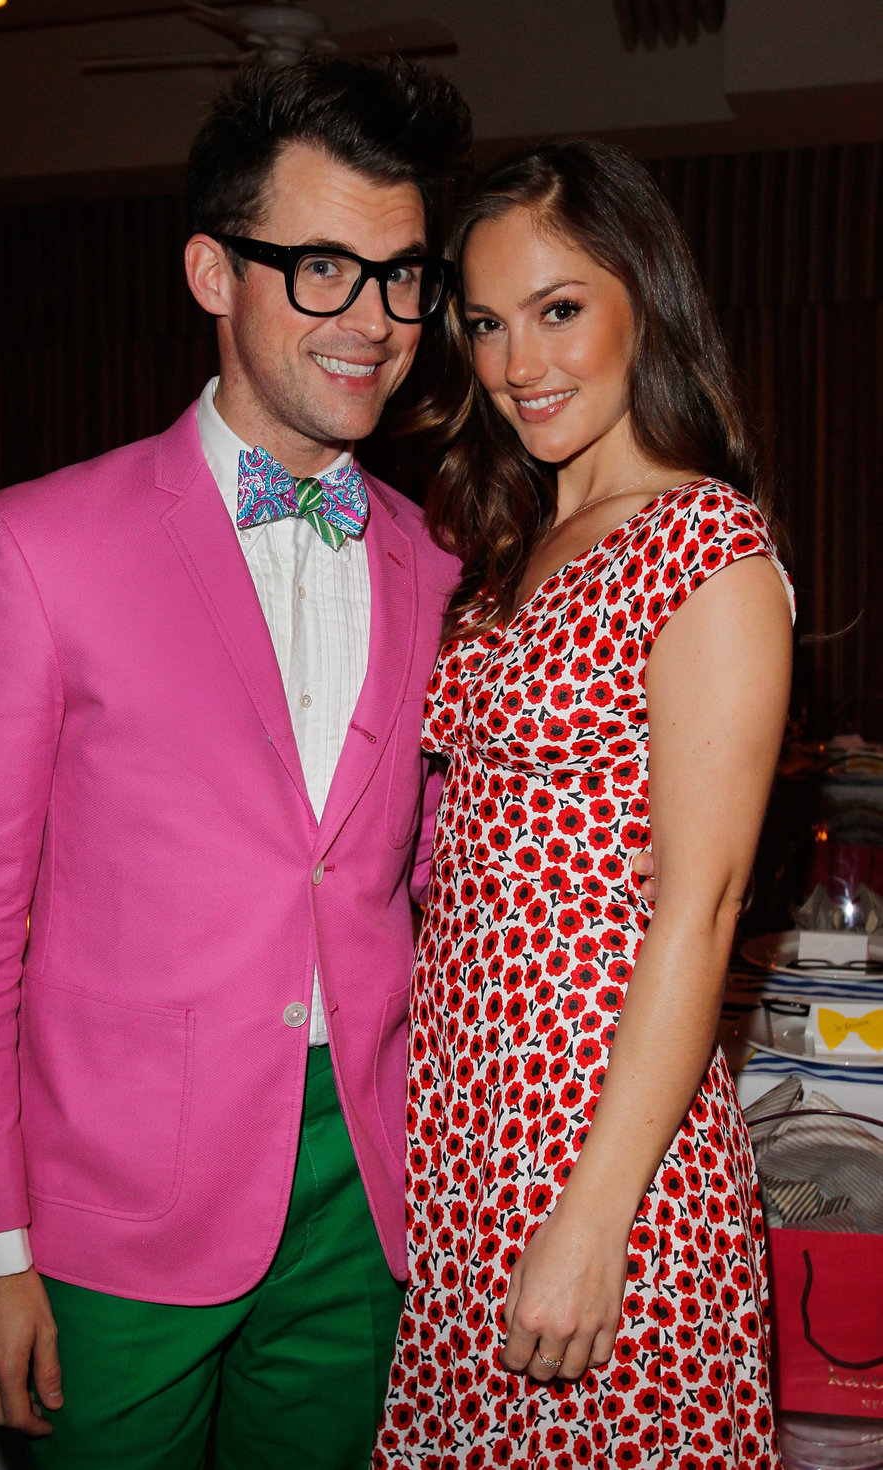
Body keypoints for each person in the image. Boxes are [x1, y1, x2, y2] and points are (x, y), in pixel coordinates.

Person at [0, 57, 471, 1470]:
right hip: (109, 1212)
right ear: (213, 272)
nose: (375, 321)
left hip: (365, 1199)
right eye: (323, 268)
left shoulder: (437, 560)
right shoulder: (35, 547)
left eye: (403, 276)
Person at [374, 140, 794, 1469]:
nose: (519, 363)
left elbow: (702, 909)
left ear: (644, 301)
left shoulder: (706, 546)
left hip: (601, 1139)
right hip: (468, 1124)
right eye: (487, 324)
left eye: (559, 309)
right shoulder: (510, 544)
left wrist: (595, 1216)